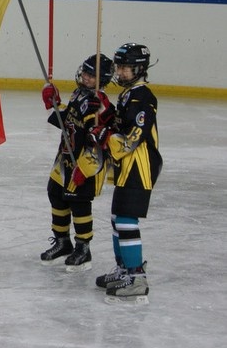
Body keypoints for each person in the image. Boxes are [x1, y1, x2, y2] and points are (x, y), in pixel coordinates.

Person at [90, 43, 162, 302]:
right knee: (116, 219)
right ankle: (124, 270)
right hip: (126, 166)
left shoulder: (143, 96)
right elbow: (122, 122)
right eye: (119, 67)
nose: (119, 72)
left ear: (139, 69)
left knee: (126, 220)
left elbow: (134, 135)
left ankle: (136, 277)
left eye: (125, 68)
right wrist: (105, 110)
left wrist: (106, 137)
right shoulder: (128, 94)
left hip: (139, 165)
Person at [39, 54, 114, 272]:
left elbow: (100, 139)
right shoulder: (79, 93)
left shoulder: (99, 104)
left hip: (84, 162)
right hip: (65, 158)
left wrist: (86, 168)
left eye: (92, 75)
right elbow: (69, 120)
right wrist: (54, 102)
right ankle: (62, 242)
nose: (86, 77)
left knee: (79, 203)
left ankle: (83, 248)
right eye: (85, 72)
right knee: (55, 194)